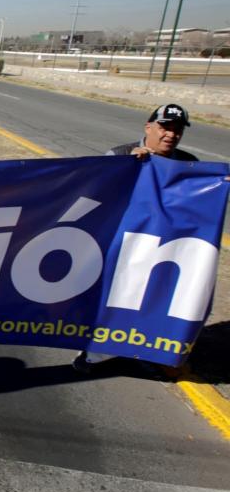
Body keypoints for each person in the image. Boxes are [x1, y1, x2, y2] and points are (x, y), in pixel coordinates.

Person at [72, 103, 197, 374]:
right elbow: (98, 192)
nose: (170, 135)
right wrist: (127, 166)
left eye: (177, 130)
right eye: (165, 127)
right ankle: (94, 354)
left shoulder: (189, 164)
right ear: (149, 127)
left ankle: (149, 348)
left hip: (163, 249)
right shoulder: (121, 154)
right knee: (116, 298)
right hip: (122, 244)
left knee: (155, 298)